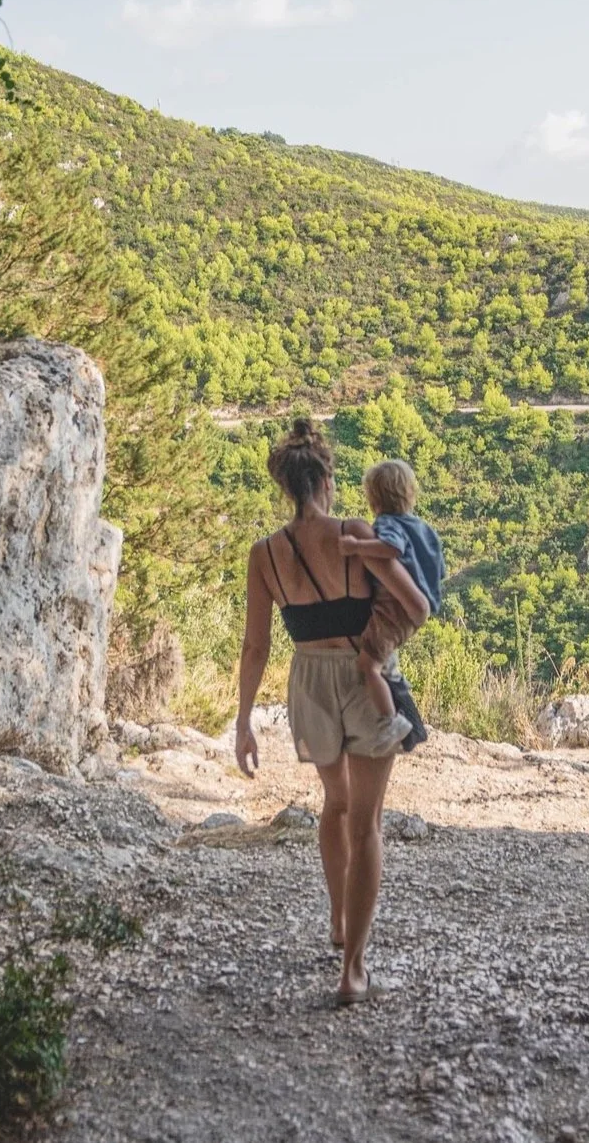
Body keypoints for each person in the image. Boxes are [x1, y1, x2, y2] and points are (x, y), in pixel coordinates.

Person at [234, 418, 431, 1004]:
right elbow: (417, 604)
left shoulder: (265, 555)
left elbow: (256, 645)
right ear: (326, 481)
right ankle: (353, 969)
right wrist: (378, 649)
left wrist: (244, 721)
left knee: (335, 803)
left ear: (285, 486)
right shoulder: (353, 531)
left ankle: (338, 922)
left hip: (308, 683)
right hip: (360, 671)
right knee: (366, 820)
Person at [338, 459, 444, 752]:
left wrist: (357, 548)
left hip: (395, 606)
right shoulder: (421, 527)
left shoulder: (387, 524)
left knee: (369, 666)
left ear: (374, 499)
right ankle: (410, 724)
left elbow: (392, 549)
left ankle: (391, 725)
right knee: (385, 662)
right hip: (418, 606)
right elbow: (437, 563)